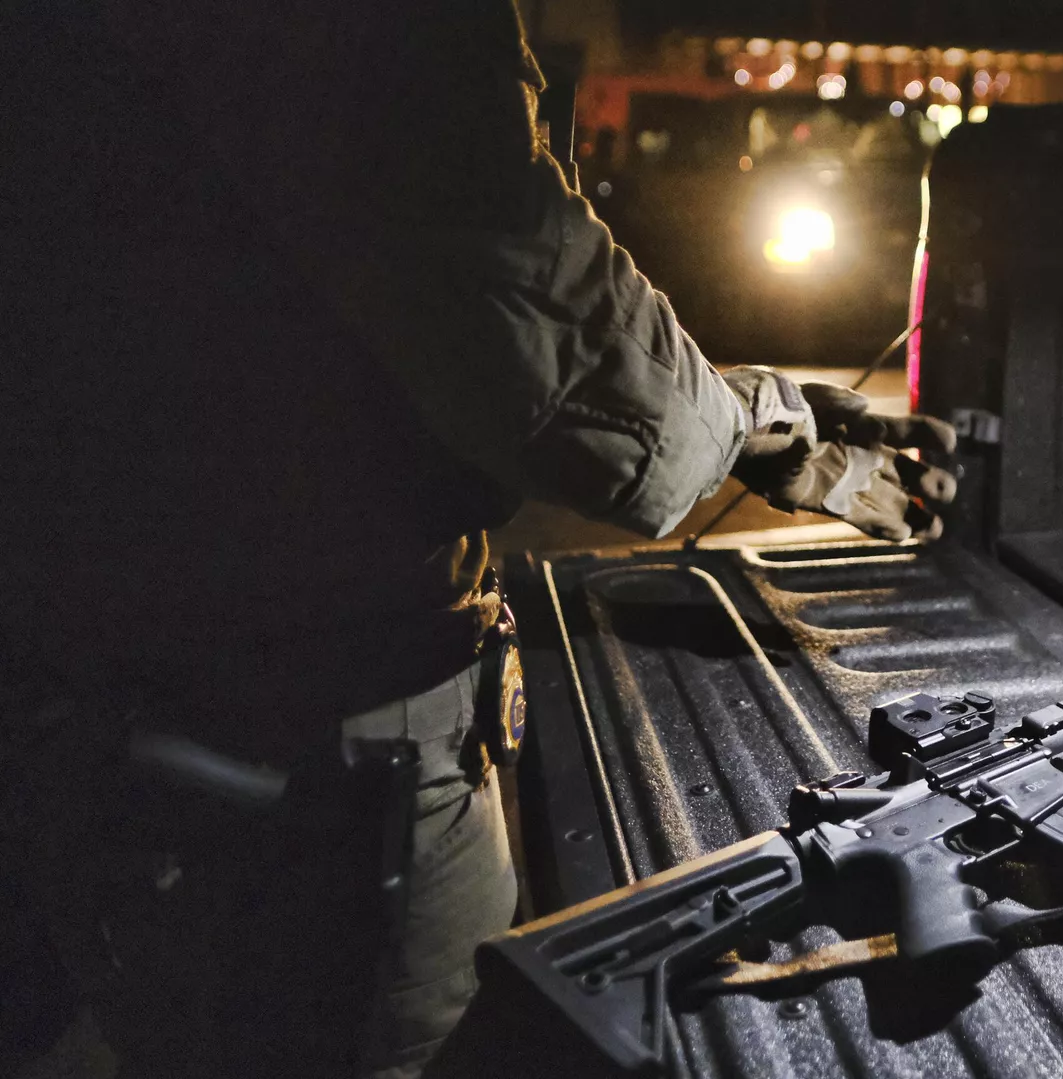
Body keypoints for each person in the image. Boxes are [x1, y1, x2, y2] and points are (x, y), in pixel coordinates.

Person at [0, 3, 954, 1077]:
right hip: (318, 741)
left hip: (147, 688)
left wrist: (754, 422)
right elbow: (558, 346)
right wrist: (768, 424)